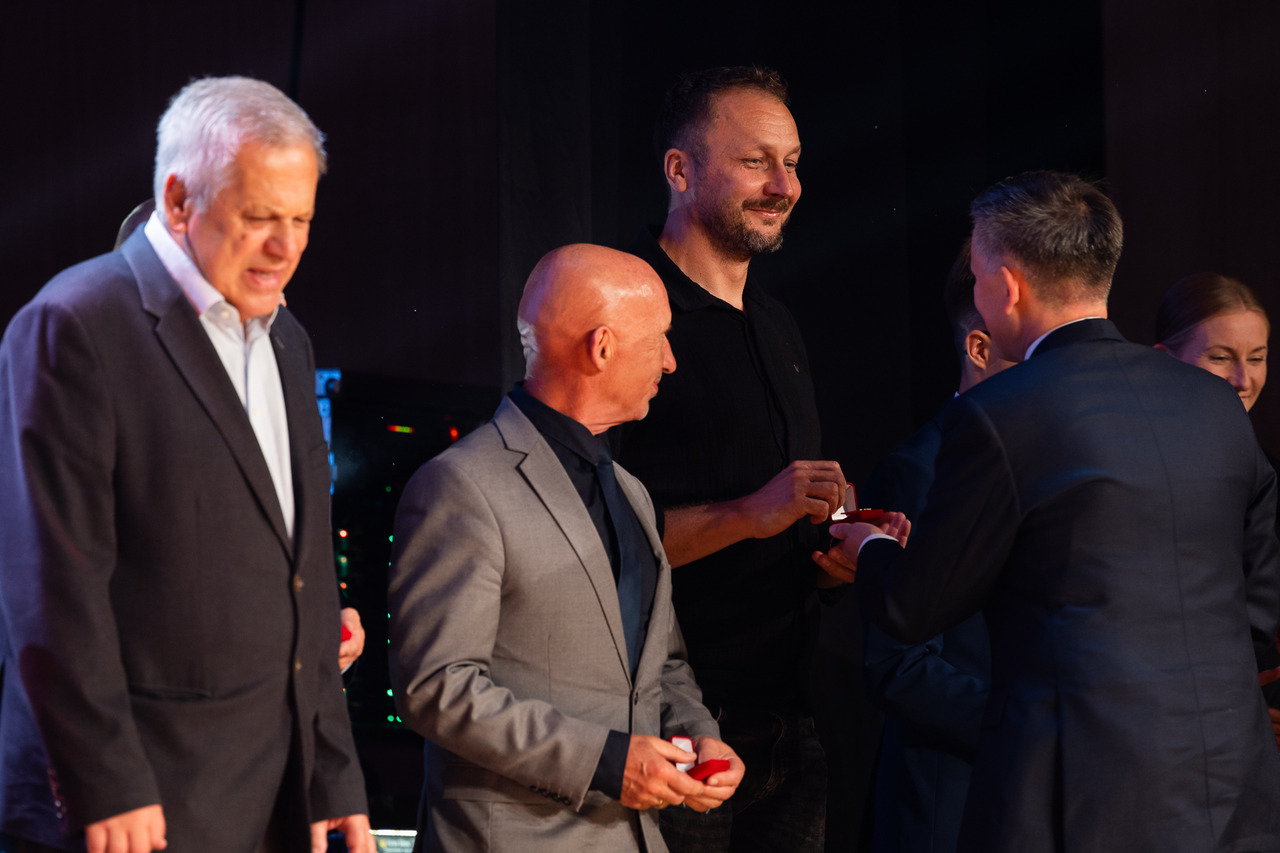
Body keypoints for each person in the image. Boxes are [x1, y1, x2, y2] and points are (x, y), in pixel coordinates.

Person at [831, 171, 1280, 851]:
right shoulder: (1215, 403)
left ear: (1006, 285)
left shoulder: (998, 413)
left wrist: (868, 546)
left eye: (979, 278)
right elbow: (1259, 605)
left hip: (1079, 793)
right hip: (1229, 781)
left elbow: (914, 606)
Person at [0, 77, 371, 853]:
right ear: (178, 200)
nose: (287, 247)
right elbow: (52, 587)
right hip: (136, 807)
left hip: (273, 799)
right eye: (260, 217)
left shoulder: (288, 339)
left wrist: (332, 773)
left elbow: (306, 569)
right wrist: (107, 780)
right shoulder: (76, 324)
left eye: (301, 219)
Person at [388, 244, 744, 853]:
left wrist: (698, 733)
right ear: (602, 347)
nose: (670, 360)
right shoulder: (461, 485)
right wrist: (604, 761)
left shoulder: (631, 492)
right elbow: (436, 687)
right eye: (659, 338)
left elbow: (662, 665)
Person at [612, 65, 853, 852]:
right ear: (680, 170)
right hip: (675, 732)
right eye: (756, 161)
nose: (785, 185)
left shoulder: (778, 325)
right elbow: (586, 542)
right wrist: (750, 514)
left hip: (795, 724)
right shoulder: (624, 309)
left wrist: (834, 546)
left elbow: (779, 526)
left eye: (793, 162)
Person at [860, 240, 1013, 853]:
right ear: (978, 348)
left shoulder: (1049, 460)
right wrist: (1026, 725)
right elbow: (898, 667)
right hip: (952, 801)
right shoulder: (920, 469)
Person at [1154, 272, 1280, 748]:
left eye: (1257, 358)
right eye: (1221, 357)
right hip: (1165, 722)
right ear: (1164, 360)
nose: (1243, 380)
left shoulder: (1266, 471)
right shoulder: (1138, 471)